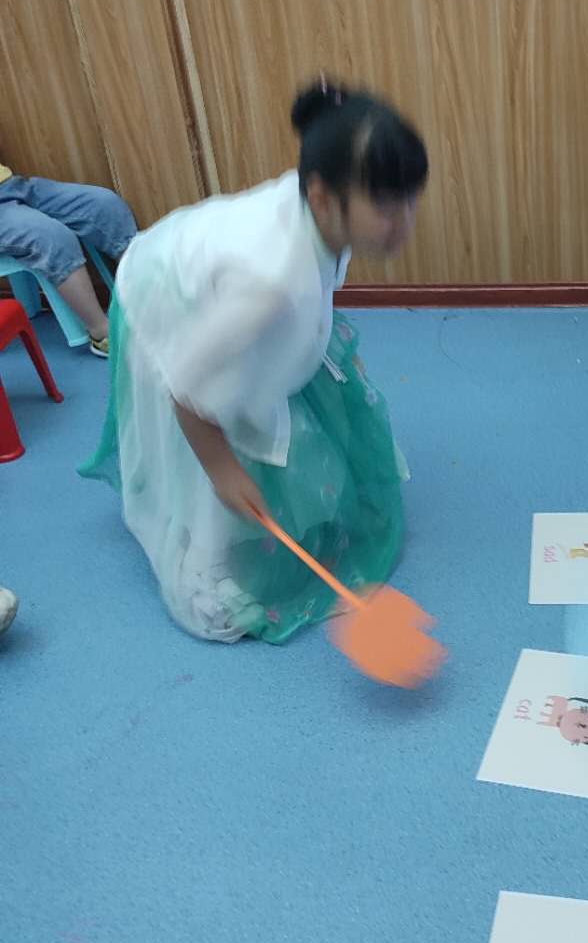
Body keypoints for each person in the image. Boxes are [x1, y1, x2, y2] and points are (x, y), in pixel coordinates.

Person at [79, 79, 428, 644]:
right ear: (322, 198)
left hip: (213, 270)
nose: (406, 222)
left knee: (281, 379)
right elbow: (186, 388)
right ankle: (205, 563)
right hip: (163, 292)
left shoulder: (320, 218)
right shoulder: (270, 287)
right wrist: (222, 470)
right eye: (388, 207)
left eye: (411, 200)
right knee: (227, 444)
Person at [0, 164, 136, 356]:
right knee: (52, 237)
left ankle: (143, 302)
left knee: (105, 205)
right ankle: (101, 333)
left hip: (12, 185)